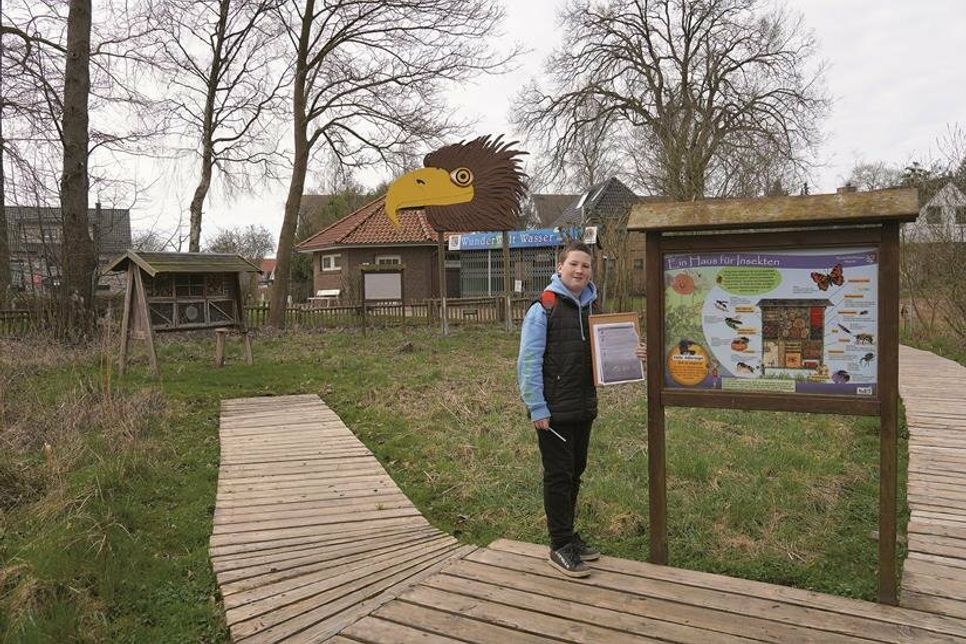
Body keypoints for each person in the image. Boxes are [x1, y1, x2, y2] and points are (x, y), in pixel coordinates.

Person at [517, 241, 646, 578]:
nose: (579, 271)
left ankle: (569, 536)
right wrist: (536, 407)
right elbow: (527, 362)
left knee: (575, 474)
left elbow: (610, 350)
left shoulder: (594, 308)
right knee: (558, 477)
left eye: (586, 266)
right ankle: (559, 545)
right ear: (560, 268)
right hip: (554, 411)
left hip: (584, 405)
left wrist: (636, 353)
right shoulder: (543, 308)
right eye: (573, 264)